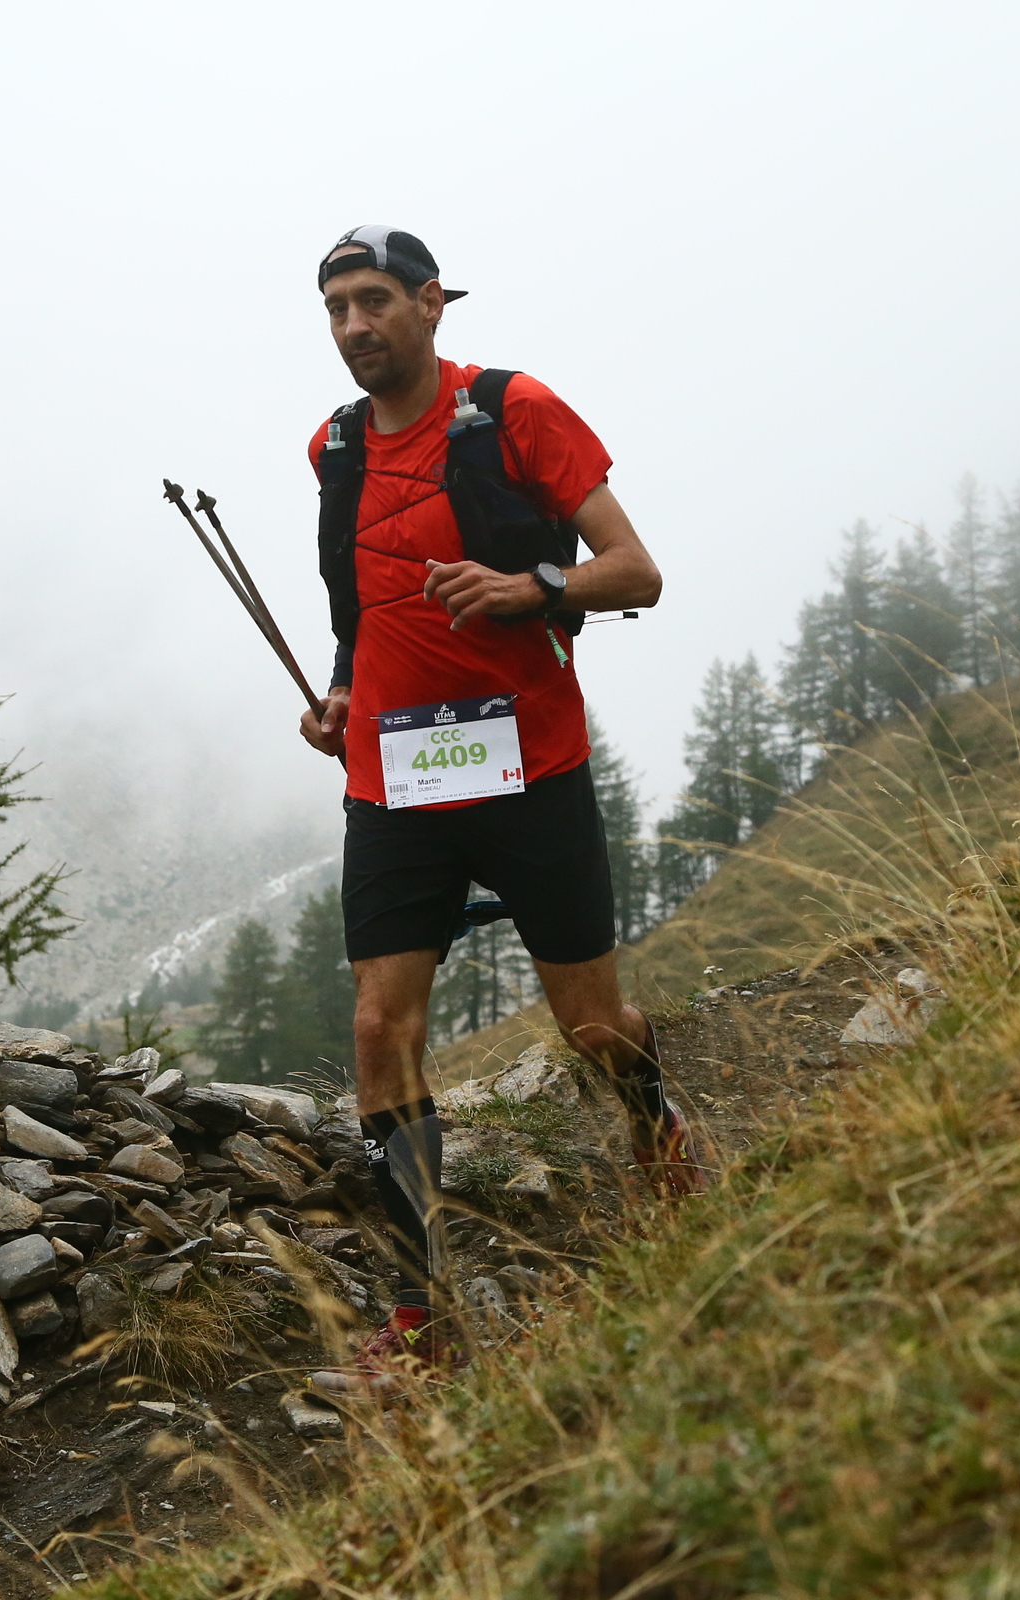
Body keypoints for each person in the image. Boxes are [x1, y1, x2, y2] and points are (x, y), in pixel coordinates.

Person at [298, 226, 700, 1387]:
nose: (355, 326)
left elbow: (638, 571)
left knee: (589, 1025)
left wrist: (535, 586)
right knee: (381, 1030)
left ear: (432, 304)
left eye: (375, 301)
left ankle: (655, 1129)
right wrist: (335, 699)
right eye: (336, 309)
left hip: (529, 762)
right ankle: (424, 1303)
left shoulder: (515, 411)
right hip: (393, 776)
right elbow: (357, 611)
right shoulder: (331, 451)